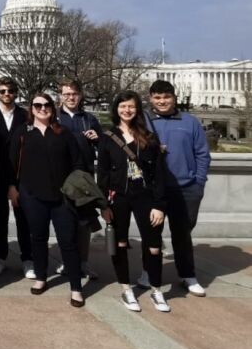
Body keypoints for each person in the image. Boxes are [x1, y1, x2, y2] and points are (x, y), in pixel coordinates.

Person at [9, 93, 85, 308]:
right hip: (33, 195)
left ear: (53, 108)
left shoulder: (64, 133)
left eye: (47, 105)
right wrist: (13, 188)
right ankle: (41, 277)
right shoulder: (22, 133)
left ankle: (76, 287)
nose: (42, 109)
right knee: (38, 239)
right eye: (38, 105)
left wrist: (74, 187)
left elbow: (77, 162)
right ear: (31, 109)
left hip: (62, 197)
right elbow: (11, 164)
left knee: (68, 242)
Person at [98, 91, 170, 312]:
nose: (126, 110)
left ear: (137, 109)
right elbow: (102, 173)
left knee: (154, 245)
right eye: (122, 106)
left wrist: (160, 205)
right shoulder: (108, 136)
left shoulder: (148, 137)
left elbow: (159, 174)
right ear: (116, 109)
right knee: (119, 244)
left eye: (131, 106)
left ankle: (156, 289)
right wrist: (103, 205)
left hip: (145, 196)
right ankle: (126, 288)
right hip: (118, 197)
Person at [139, 80, 210, 297]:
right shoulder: (144, 121)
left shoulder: (190, 122)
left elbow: (202, 154)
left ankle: (187, 274)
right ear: (151, 98)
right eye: (157, 97)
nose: (162, 101)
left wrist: (198, 181)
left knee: (182, 234)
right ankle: (148, 272)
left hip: (186, 188)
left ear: (174, 98)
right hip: (154, 189)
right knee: (151, 235)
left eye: (166, 97)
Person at [0, 77, 32, 278]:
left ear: (16, 92)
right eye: (2, 91)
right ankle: (0, 257)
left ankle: (27, 258)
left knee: (23, 219)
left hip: (22, 174)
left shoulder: (26, 116)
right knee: (0, 220)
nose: (6, 94)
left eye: (10, 90)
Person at [56, 79, 102, 279]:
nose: (71, 97)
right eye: (66, 94)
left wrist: (98, 138)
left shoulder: (89, 119)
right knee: (65, 222)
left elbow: (104, 148)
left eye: (74, 93)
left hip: (84, 177)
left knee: (84, 223)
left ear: (80, 95)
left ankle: (83, 262)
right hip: (62, 176)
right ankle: (68, 262)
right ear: (60, 96)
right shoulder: (54, 118)